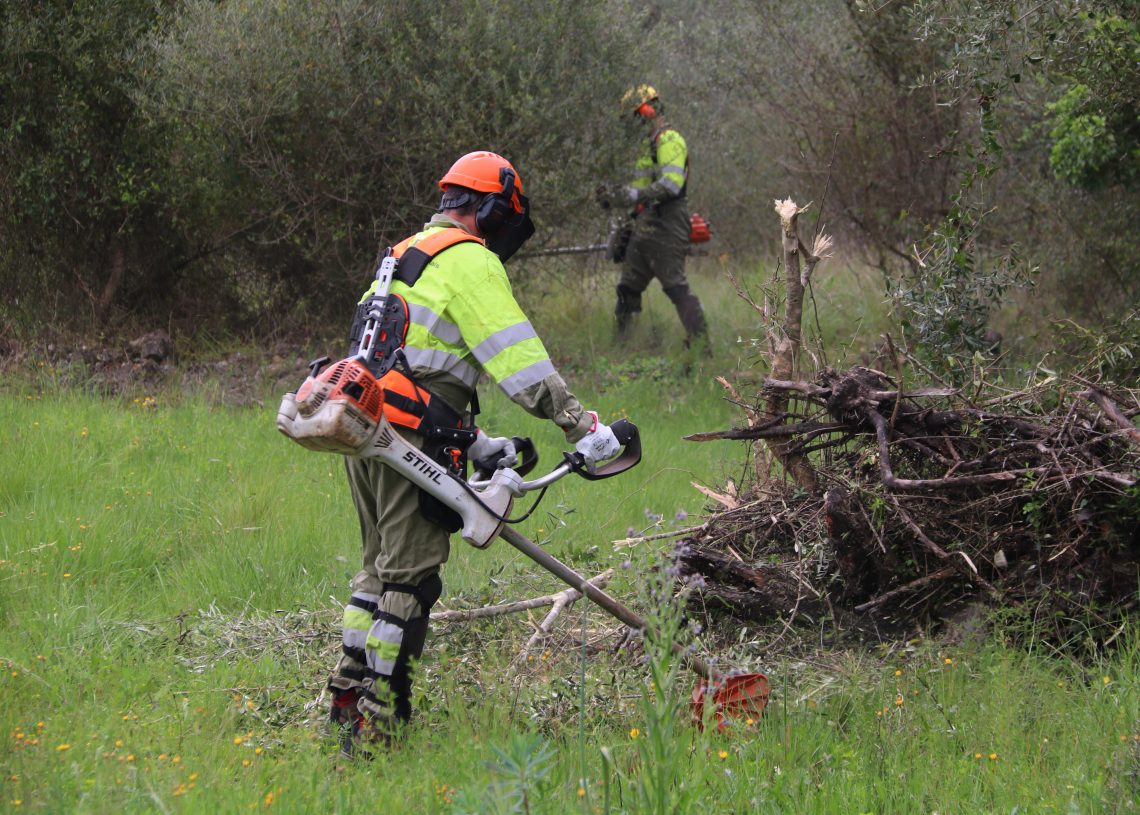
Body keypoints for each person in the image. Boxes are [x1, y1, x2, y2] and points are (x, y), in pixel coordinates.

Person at [327, 150, 621, 755]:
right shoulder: (469, 260)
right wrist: (579, 426)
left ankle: (344, 706)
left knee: (375, 572)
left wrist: (477, 444)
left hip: (365, 426)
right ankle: (381, 730)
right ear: (490, 209)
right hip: (412, 433)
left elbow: (396, 356)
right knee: (408, 582)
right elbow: (520, 362)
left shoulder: (401, 256)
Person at [607, 85, 709, 349]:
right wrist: (623, 204)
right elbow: (640, 191)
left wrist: (634, 195)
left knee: (674, 285)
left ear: (646, 112)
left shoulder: (670, 140)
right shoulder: (646, 146)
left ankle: (701, 347)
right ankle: (622, 345)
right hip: (646, 223)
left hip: (669, 221)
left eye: (634, 118)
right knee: (628, 287)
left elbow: (671, 185)